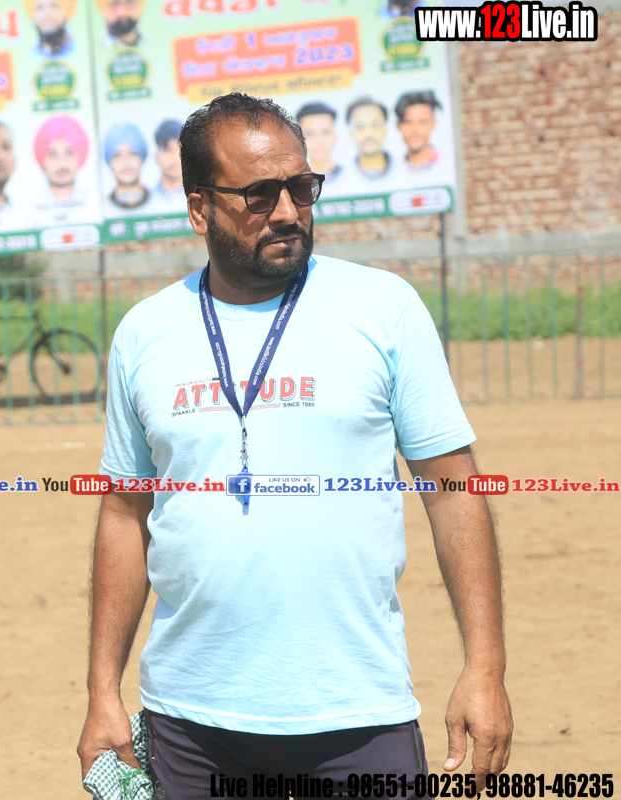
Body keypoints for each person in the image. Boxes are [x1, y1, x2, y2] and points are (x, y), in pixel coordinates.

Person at [77, 93, 512, 798]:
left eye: (301, 188)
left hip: (356, 715)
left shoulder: (383, 308)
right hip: (190, 723)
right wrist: (103, 691)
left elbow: (455, 491)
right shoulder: (144, 334)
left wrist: (485, 669)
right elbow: (125, 516)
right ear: (199, 209)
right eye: (258, 194)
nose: (287, 211)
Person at [33, 114, 92, 225]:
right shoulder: (30, 211)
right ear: (42, 161)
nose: (62, 163)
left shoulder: (94, 204)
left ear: (80, 157)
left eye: (69, 153)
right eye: (53, 154)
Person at [104, 122, 149, 210]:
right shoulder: (100, 208)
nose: (126, 161)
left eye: (132, 153)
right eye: (117, 155)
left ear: (141, 158)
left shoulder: (162, 203)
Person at [395, 90, 442, 173]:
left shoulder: (446, 163)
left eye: (422, 121)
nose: (415, 129)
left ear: (433, 123)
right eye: (408, 122)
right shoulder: (394, 168)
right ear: (398, 125)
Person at [347, 96, 391, 180]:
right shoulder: (344, 177)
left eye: (375, 125)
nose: (368, 134)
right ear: (350, 133)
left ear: (385, 129)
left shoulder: (403, 170)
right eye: (360, 126)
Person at [296, 101, 342, 182]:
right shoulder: (294, 181)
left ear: (335, 137)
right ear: (299, 139)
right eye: (309, 133)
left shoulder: (350, 176)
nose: (318, 140)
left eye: (325, 132)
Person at [152, 118, 184, 207]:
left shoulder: (204, 198)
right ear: (156, 157)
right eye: (167, 149)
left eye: (181, 149)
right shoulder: (148, 201)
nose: (176, 157)